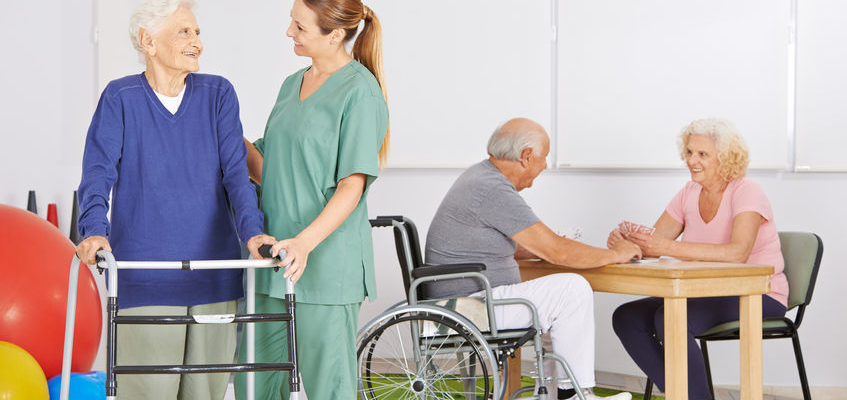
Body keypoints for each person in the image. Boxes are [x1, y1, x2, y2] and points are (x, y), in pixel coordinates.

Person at [75, 1, 275, 398]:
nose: (196, 42)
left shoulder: (218, 94)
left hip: (215, 278)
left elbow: (237, 176)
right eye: (184, 32)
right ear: (147, 41)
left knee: (207, 394)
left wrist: (254, 233)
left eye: (197, 32)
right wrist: (94, 231)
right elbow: (97, 174)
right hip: (146, 281)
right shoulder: (120, 98)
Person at [234, 0, 389, 398]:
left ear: (334, 34)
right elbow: (270, 170)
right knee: (256, 385)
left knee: (328, 390)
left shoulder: (360, 92)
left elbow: (351, 186)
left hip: (325, 267)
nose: (289, 32)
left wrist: (304, 242)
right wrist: (221, 127)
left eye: (299, 27)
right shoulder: (291, 85)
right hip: (273, 259)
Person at [425, 118, 639, 400]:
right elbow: (557, 251)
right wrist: (616, 254)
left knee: (555, 304)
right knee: (572, 290)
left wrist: (550, 245)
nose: (545, 165)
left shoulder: (480, 177)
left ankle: (557, 393)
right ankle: (572, 394)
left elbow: (518, 245)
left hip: (464, 300)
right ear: (527, 156)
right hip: (469, 307)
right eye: (544, 157)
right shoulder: (492, 188)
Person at [607, 118, 787, 400]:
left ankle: (691, 396)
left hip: (758, 293)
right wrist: (627, 243)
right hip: (703, 291)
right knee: (627, 317)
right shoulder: (688, 192)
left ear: (726, 157)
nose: (692, 160)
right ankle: (690, 394)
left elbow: (737, 253)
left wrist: (666, 246)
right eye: (689, 152)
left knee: (669, 317)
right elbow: (655, 244)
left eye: (702, 154)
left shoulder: (747, 191)